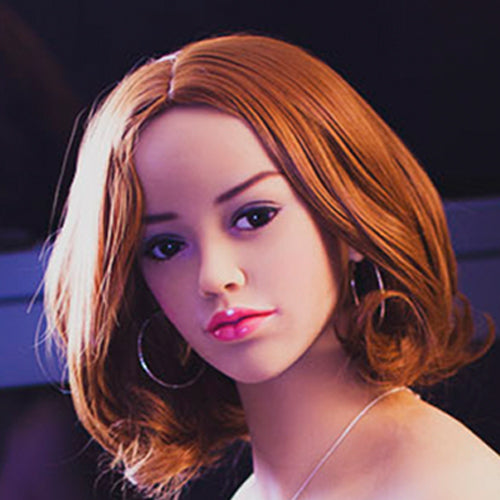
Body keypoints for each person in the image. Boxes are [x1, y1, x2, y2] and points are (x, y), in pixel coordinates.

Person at [43, 33, 500, 499]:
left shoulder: (449, 485)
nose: (214, 276)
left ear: (349, 218)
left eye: (254, 218)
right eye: (165, 247)